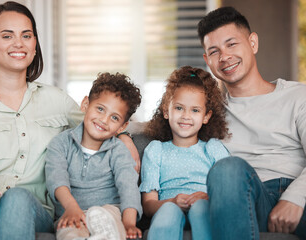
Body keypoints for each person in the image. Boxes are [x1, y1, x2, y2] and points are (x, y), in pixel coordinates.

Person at [0, 2, 84, 240]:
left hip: (32, 208)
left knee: (17, 197)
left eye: (26, 36)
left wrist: (125, 138)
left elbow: (96, 126)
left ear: (34, 44)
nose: (18, 43)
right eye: (7, 35)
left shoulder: (57, 100)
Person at [198, 6, 306, 239]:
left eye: (232, 44)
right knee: (226, 169)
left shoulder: (299, 96)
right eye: (214, 51)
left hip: (300, 197)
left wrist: (294, 198)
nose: (224, 56)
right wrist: (124, 137)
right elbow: (166, 127)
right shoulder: (208, 112)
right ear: (207, 60)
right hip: (243, 199)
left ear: (253, 43)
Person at [45, 72, 143, 240]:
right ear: (85, 104)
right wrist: (72, 208)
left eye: (114, 117)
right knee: (68, 232)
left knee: (108, 215)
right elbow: (57, 179)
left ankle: (108, 233)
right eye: (100, 109)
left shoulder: (118, 150)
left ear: (122, 126)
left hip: (108, 210)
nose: (104, 120)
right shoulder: (61, 143)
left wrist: (129, 223)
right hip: (71, 212)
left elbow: (129, 187)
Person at [139, 66, 230, 240]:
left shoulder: (212, 148)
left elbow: (227, 193)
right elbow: (149, 206)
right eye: (179, 108)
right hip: (167, 207)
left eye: (195, 110)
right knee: (168, 211)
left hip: (205, 207)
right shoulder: (156, 150)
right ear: (166, 111)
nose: (186, 116)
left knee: (200, 208)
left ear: (206, 116)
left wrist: (208, 197)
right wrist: (172, 202)